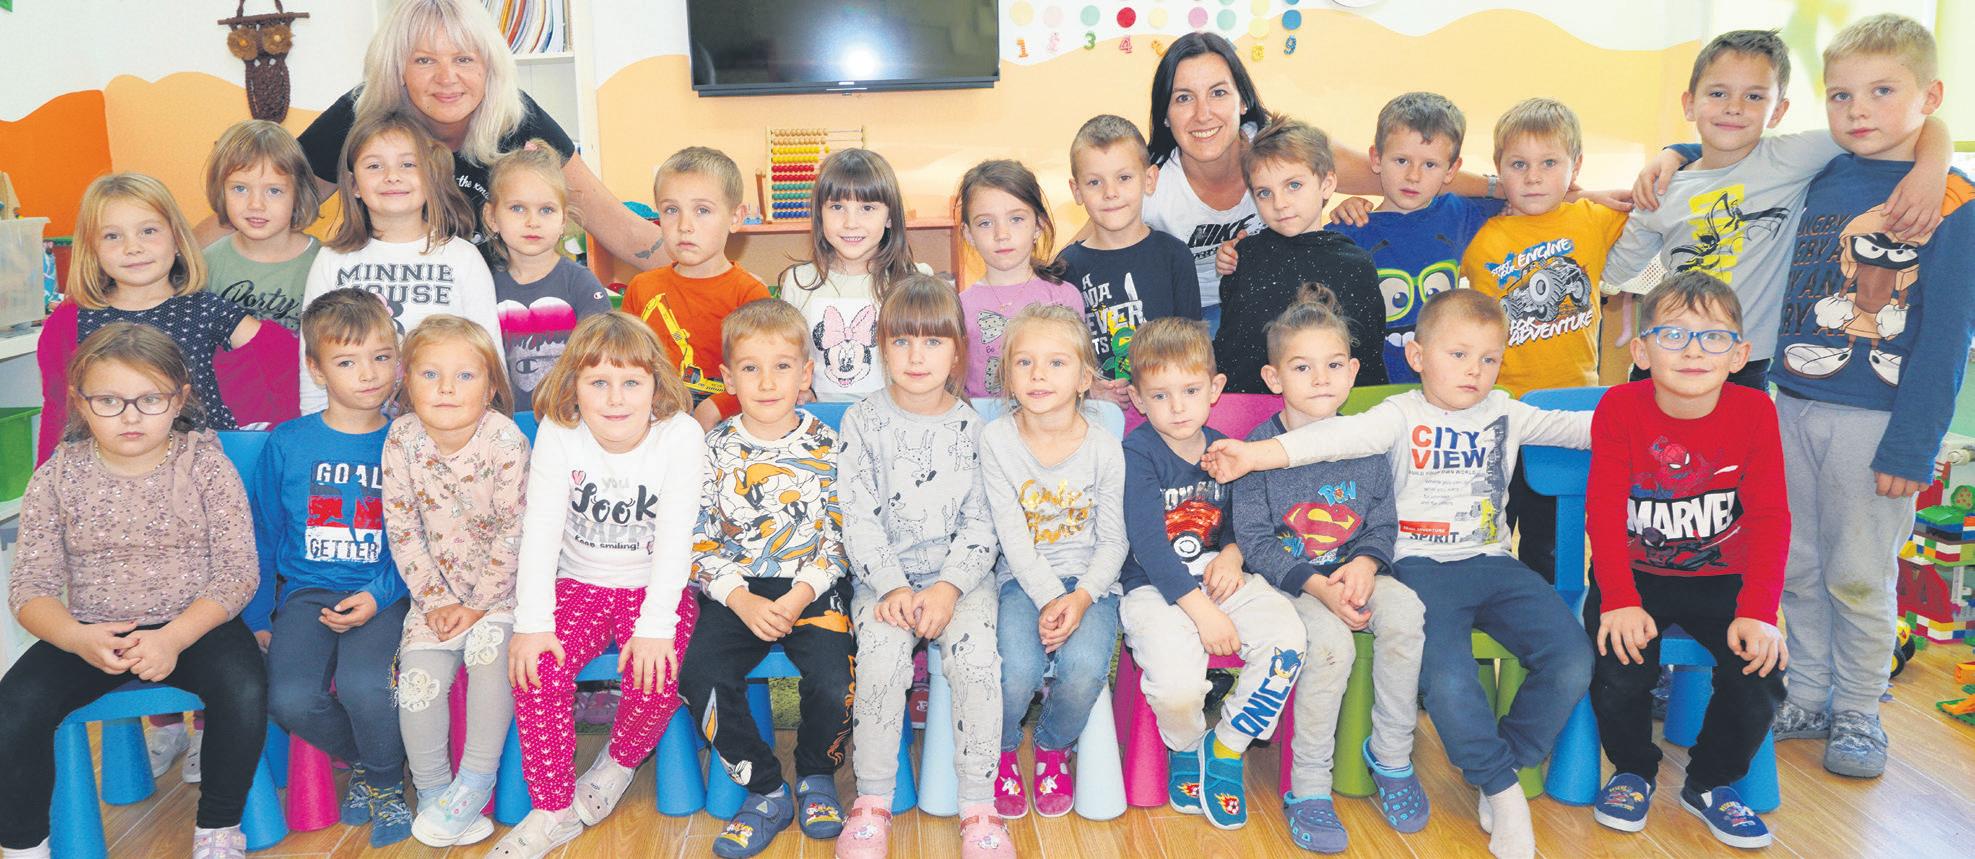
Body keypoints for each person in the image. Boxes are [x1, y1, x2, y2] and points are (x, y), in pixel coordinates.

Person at [1202, 289, 1595, 859]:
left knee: (1573, 657)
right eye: (1458, 354)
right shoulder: (1394, 417)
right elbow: (1332, 440)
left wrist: (1670, 405)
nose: (1474, 370)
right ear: (1416, 356)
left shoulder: (1507, 411)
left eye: (1489, 358)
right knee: (1446, 678)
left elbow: (1581, 429)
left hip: (1491, 565)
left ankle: (1499, 771)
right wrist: (1252, 455)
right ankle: (1491, 788)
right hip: (1417, 568)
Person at [1768, 13, 1974, 780]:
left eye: (1882, 91)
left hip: (1876, 422)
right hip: (1791, 404)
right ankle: (1808, 693)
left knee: (1857, 573)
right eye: (1840, 95)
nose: (1857, 110)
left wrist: (1912, 446)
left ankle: (1858, 708)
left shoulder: (1952, 199)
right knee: (1796, 563)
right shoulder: (1821, 174)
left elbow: (1947, 335)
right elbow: (1736, 157)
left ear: (1929, 96)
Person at [0, 324, 265, 859]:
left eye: (149, 399)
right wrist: (76, 637)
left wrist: (174, 637)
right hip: (92, 632)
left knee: (245, 688)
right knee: (14, 706)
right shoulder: (57, 476)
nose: (130, 416)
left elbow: (238, 573)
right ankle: (25, 846)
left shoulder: (206, 466)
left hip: (195, 625)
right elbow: (30, 587)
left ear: (179, 399)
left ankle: (217, 830)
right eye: (109, 401)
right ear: (80, 402)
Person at [189, 0, 663, 268]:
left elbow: (623, 231)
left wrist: (699, 271)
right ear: (398, 69)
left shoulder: (518, 119)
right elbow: (264, 204)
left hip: (497, 311)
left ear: (489, 67)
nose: (447, 78)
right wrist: (168, 263)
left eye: (463, 59)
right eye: (424, 60)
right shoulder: (360, 115)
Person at [1611, 29, 1950, 391]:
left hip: (1745, 361)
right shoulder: (1660, 189)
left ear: (1778, 111)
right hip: (1666, 355)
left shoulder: (1792, 157)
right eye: (1718, 93)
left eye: (1754, 96)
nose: (1734, 107)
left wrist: (1931, 170)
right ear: (1690, 103)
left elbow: (1916, 120)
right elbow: (1615, 269)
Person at [1584, 272, 1787, 847]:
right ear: (1642, 351)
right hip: (1635, 576)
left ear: (1739, 355)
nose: (1694, 350)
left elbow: (1772, 517)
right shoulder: (1619, 407)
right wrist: (1619, 599)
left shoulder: (1756, 412)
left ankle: (1711, 782)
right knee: (1618, 667)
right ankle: (1632, 770)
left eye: (1713, 336)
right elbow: (1603, 510)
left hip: (1725, 579)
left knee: (1760, 671)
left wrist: (1760, 611)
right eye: (1673, 335)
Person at [494, 313, 704, 858]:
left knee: (658, 671)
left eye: (631, 381)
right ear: (573, 386)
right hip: (580, 581)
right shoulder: (560, 432)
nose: (615, 398)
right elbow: (541, 530)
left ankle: (617, 764)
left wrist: (655, 627)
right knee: (536, 667)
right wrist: (532, 624)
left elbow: (677, 539)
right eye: (598, 382)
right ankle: (552, 811)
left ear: (655, 384)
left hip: (654, 586)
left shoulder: (680, 434)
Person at [1233, 285, 1427, 853]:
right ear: (1274, 378)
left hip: (1356, 574)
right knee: (1331, 648)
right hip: (1290, 586)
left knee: (1407, 615)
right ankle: (1309, 786)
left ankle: (1391, 756)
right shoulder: (1257, 449)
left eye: (1334, 365)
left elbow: (1381, 523)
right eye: (1303, 367)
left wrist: (1365, 564)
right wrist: (1318, 587)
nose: (1321, 379)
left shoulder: (1365, 442)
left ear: (1353, 371)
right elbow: (1255, 543)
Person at [1142, 32, 1492, 333]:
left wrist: (1499, 186)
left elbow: (1405, 171)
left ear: (1243, 100)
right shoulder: (1151, 185)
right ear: (1165, 115)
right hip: (1191, 314)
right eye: (1183, 97)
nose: (1203, 113)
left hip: (1281, 296)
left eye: (1218, 93)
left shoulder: (1281, 148)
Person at [835, 275, 1010, 859]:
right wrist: (889, 586)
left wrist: (949, 588)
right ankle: (873, 800)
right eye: (902, 341)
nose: (916, 356)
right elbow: (857, 517)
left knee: (977, 665)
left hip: (961, 583)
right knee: (882, 662)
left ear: (957, 351)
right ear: (882, 348)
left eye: (933, 342)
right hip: (882, 583)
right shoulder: (862, 422)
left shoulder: (975, 430)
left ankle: (979, 805)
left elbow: (983, 524)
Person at [673, 299, 853, 858]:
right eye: (750, 368)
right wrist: (739, 598)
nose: (767, 382)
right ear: (728, 379)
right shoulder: (712, 449)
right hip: (736, 591)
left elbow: (842, 535)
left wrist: (801, 594)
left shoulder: (830, 446)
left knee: (836, 678)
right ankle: (767, 789)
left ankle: (816, 774)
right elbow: (696, 538)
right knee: (698, 675)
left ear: (806, 375)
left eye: (782, 367)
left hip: (813, 586)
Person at [1117, 317, 1304, 831]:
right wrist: (1201, 612)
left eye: (1191, 391)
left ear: (1215, 388)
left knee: (1289, 638)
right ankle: (1186, 744)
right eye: (1160, 395)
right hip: (1155, 589)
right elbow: (1148, 545)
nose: (1177, 407)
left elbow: (1246, 522)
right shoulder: (1137, 455)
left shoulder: (1225, 450)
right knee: (1177, 688)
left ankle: (1225, 746)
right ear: (1138, 399)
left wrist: (1234, 555)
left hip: (1224, 579)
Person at [246, 288, 414, 848]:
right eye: (346, 361)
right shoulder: (288, 443)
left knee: (367, 685)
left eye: (381, 357)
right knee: (289, 699)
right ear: (316, 369)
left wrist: (380, 594)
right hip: (307, 596)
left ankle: (386, 785)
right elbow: (265, 533)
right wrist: (258, 617)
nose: (368, 374)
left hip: (385, 594)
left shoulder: (409, 441)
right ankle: (368, 761)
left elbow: (425, 538)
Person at [1459, 97, 1628, 586]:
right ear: (1498, 170)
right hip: (1495, 412)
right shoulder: (1479, 234)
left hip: (1568, 415)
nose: (1533, 178)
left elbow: (1659, 196)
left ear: (1575, 166)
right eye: (1519, 165)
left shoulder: (1593, 217)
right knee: (1484, 540)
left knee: (1551, 549)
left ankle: (1547, 628)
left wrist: (1588, 193)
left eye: (1549, 163)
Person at [381, 315, 529, 847]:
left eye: (465, 376)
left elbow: (516, 531)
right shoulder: (401, 438)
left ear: (491, 388)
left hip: (502, 595)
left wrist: (478, 604)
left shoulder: (505, 441)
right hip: (434, 599)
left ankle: (473, 782)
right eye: (430, 374)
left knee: (490, 657)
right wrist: (436, 599)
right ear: (406, 383)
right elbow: (402, 527)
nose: (446, 388)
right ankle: (434, 790)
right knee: (418, 680)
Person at [981, 304, 1127, 820]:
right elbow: (1012, 538)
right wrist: (1049, 599)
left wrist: (1080, 598)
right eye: (1024, 362)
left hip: (1092, 584)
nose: (1038, 375)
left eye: (1056, 363)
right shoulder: (996, 440)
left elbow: (1114, 542)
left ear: (1085, 379)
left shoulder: (1105, 448)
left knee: (1084, 671)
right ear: (1007, 374)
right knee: (1014, 673)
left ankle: (1051, 746)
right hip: (1022, 582)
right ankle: (1001, 750)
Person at [35, 173, 261, 461]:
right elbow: (57, 407)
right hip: (105, 473)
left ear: (177, 239)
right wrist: (46, 474)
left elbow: (282, 363)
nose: (133, 247)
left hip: (198, 470)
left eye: (148, 231)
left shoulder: (207, 309)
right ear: (92, 249)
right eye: (112, 236)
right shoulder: (70, 319)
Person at [298, 110, 502, 414]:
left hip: (444, 427)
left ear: (430, 177)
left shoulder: (463, 257)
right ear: (354, 185)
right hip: (356, 428)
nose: (392, 176)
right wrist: (316, 425)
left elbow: (489, 354)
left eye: (408, 164)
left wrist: (492, 422)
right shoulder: (332, 260)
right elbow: (312, 357)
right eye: (374, 166)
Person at [1323, 92, 1505, 384]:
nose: (1413, 176)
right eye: (1401, 160)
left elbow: (1531, 195)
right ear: (1376, 158)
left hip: (1444, 388)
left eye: (1430, 165)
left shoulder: (1460, 212)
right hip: (1370, 390)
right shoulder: (1347, 232)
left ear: (1452, 170)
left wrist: (1579, 195)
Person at [1211, 115, 1384, 394]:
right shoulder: (1242, 256)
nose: (1280, 203)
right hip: (1246, 410)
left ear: (1327, 184)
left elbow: (1367, 364)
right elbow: (1229, 351)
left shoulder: (1356, 265)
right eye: (1264, 193)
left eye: (1293, 185)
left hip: (1326, 410)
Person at [619, 146, 770, 427]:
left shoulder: (750, 295)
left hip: (724, 424)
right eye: (671, 210)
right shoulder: (641, 288)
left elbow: (763, 376)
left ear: (736, 217)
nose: (684, 226)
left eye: (702, 210)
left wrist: (717, 407)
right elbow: (624, 367)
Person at [1056, 114, 1201, 407]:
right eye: (1094, 182)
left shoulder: (1174, 256)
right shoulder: (1066, 268)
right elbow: (1060, 355)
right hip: (1095, 413)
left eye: (1124, 178)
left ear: (1149, 179)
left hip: (1166, 411)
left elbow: (1193, 350)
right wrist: (1089, 389)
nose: (1110, 193)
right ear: (1077, 191)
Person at [779, 149, 933, 402]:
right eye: (837, 206)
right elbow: (786, 358)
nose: (850, 223)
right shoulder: (798, 283)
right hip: (820, 419)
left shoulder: (916, 280)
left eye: (867, 208)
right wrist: (800, 390)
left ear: (890, 217)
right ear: (819, 214)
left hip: (894, 419)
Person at [202, 119, 319, 427]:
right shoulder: (206, 265)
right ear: (220, 190)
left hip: (299, 413)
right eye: (240, 188)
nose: (255, 204)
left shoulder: (322, 263)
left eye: (274, 191)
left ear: (298, 194)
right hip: (228, 419)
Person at [957, 159, 1086, 398]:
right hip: (981, 421)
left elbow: (1078, 375)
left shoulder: (1063, 297)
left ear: (1038, 225)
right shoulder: (959, 306)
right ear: (968, 234)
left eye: (1016, 219)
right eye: (985, 223)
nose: (1002, 234)